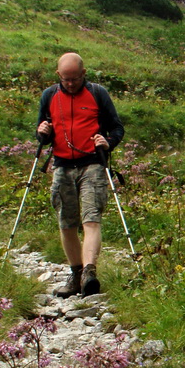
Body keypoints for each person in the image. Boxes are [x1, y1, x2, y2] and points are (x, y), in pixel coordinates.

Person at [36, 52, 124, 298]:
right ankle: (76, 274)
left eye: (75, 78)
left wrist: (108, 142)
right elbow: (42, 131)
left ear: (84, 74)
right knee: (66, 222)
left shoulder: (97, 93)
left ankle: (89, 273)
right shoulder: (49, 96)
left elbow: (117, 127)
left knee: (91, 219)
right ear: (58, 76)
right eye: (66, 79)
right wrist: (41, 131)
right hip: (62, 165)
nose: (71, 83)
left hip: (93, 164)